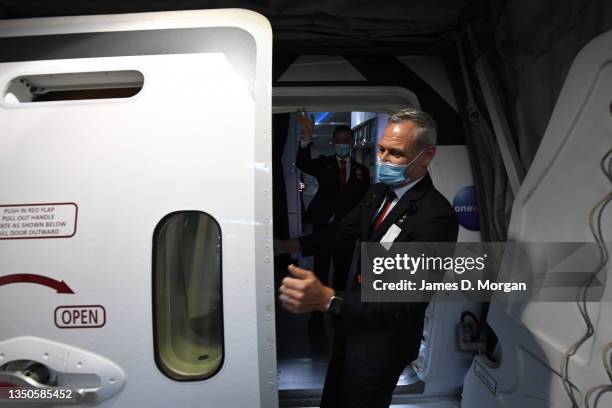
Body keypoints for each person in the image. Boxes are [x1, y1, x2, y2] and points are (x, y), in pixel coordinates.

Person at [275, 108, 459, 408]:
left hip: (385, 342)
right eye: (382, 150)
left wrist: (328, 299)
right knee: (334, 397)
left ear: (426, 156)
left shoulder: (437, 218)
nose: (383, 159)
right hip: (354, 325)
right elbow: (339, 233)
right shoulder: (378, 193)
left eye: (395, 154)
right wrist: (287, 245)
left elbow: (404, 304)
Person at [295, 109, 370, 291]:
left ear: (352, 143)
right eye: (338, 141)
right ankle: (318, 314)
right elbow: (302, 163)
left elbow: (364, 202)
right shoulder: (324, 163)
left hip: (347, 231)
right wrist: (306, 137)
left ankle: (336, 309)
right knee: (319, 272)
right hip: (324, 227)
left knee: (342, 272)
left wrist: (363, 229)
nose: (342, 144)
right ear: (333, 142)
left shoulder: (362, 171)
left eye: (346, 141)